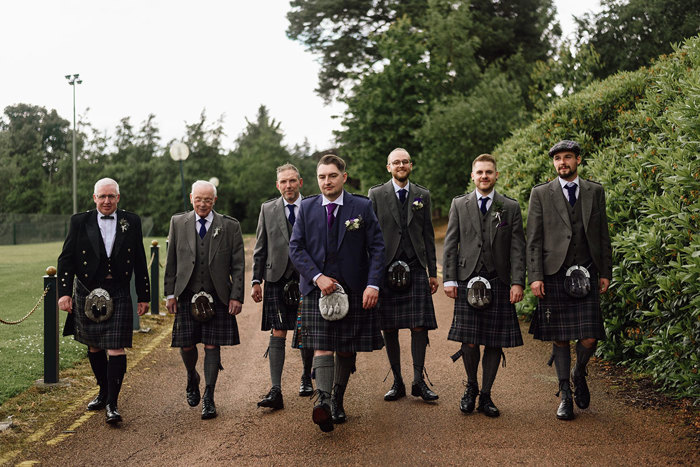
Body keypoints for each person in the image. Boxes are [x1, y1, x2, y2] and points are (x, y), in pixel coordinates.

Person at [289, 154, 385, 433]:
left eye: (332, 176)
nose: (327, 181)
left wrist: (373, 284)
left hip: (354, 288)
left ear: (344, 177)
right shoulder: (306, 208)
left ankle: (338, 400)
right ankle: (325, 402)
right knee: (322, 345)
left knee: (345, 348)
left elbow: (377, 247)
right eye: (322, 177)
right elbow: (296, 248)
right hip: (316, 289)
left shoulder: (362, 206)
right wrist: (317, 277)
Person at [526, 140, 612, 420]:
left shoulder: (595, 191)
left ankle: (579, 371)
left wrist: (605, 272)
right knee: (561, 338)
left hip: (587, 271)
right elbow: (534, 240)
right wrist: (535, 276)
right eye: (557, 159)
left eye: (567, 158)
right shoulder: (540, 194)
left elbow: (602, 235)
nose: (562, 163)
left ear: (578, 160)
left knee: (589, 336)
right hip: (554, 273)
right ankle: (565, 395)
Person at [58, 177, 150, 425]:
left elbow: (140, 259)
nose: (107, 201)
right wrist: (64, 293)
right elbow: (66, 259)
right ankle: (103, 390)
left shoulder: (131, 221)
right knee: (94, 346)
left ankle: (112, 404)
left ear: (118, 198)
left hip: (118, 289)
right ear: (94, 198)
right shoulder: (79, 221)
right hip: (88, 289)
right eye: (102, 196)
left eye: (111, 196)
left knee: (116, 346)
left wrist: (144, 295)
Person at [443, 154, 526, 417]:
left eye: (489, 172)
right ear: (472, 176)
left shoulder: (509, 207)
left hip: (498, 281)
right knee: (468, 341)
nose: (484, 176)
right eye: (479, 172)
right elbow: (450, 244)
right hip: (467, 279)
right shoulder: (459, 204)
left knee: (493, 342)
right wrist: (449, 278)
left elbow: (518, 249)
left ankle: (486, 395)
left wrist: (517, 282)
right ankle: (471, 387)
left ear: (496, 175)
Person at [164, 180, 245, 420]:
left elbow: (239, 265)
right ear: (191, 198)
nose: (202, 204)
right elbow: (171, 262)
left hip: (218, 295)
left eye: (207, 200)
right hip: (187, 294)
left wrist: (236, 296)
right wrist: (170, 294)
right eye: (198, 199)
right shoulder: (178, 222)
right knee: (186, 344)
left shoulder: (230, 226)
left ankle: (209, 396)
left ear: (214, 201)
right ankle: (192, 374)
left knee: (212, 345)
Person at [368, 148, 439, 403]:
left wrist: (432, 271)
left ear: (411, 165)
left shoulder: (423, 195)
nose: (401, 165)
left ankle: (418, 380)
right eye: (395, 162)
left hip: (416, 266)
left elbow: (429, 236)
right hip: (386, 268)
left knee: (419, 325)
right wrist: (372, 276)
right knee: (389, 327)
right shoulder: (376, 194)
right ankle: (397, 381)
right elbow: (371, 237)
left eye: (405, 161)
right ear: (388, 167)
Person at [252, 163, 315, 410]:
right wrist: (256, 280)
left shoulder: (312, 205)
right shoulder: (267, 209)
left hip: (307, 276)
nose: (288, 186)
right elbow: (260, 247)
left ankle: (306, 376)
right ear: (277, 185)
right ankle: (276, 389)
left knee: (307, 329)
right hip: (276, 277)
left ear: (300, 182)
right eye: (283, 182)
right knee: (278, 330)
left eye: (292, 181)